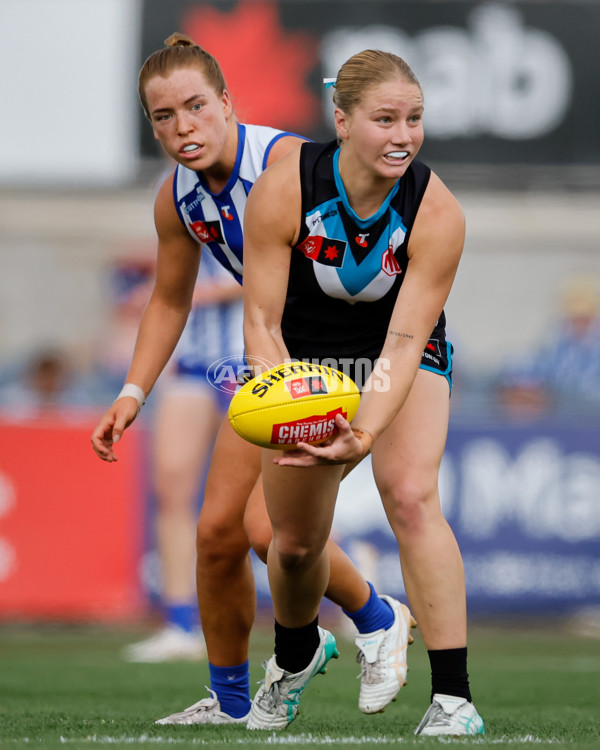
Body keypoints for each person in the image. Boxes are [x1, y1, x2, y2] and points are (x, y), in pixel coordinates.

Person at [91, 34, 415, 725]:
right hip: (277, 359)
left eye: (196, 107)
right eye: (163, 116)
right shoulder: (178, 196)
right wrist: (130, 393)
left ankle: (378, 617)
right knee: (219, 534)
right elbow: (169, 300)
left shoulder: (290, 163)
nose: (183, 128)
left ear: (229, 103)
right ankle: (232, 700)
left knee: (271, 533)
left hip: (343, 354)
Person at [241, 50, 485, 736]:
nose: (404, 135)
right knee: (289, 544)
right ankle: (295, 657)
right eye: (385, 119)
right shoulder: (286, 187)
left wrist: (364, 429)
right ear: (342, 122)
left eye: (415, 119)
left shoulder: (437, 212)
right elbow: (259, 323)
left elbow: (406, 344)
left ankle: (455, 700)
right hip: (305, 360)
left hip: (396, 354)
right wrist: (294, 408)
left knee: (410, 494)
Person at [122, 252, 243, 662]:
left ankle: (349, 596)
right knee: (171, 489)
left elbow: (279, 267)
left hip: (253, 362)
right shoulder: (175, 188)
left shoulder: (268, 186)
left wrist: (195, 291)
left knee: (283, 495)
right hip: (191, 361)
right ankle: (180, 624)